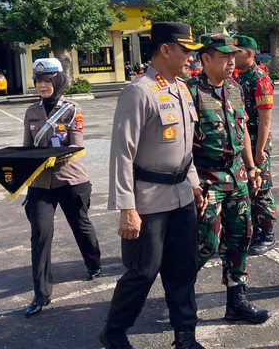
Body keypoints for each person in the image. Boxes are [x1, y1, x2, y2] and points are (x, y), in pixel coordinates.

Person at [101, 22, 206, 349]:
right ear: (165, 49)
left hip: (182, 197)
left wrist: (195, 184)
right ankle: (114, 331)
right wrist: (126, 208)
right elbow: (121, 153)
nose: (191, 57)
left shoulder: (182, 88)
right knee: (143, 272)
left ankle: (185, 336)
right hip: (148, 202)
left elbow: (185, 148)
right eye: (185, 50)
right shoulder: (139, 91)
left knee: (183, 269)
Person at [187, 34, 271, 325]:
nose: (231, 61)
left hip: (237, 176)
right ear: (206, 59)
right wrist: (191, 182)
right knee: (205, 242)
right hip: (207, 176)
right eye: (224, 56)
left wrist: (251, 169)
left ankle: (237, 301)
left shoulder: (235, 88)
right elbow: (183, 142)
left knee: (241, 236)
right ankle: (181, 296)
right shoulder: (191, 92)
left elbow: (244, 130)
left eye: (233, 56)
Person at [22, 58, 102, 318]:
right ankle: (41, 294)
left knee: (80, 224)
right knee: (40, 235)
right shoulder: (31, 112)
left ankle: (94, 263)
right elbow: (26, 148)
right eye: (38, 81)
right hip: (40, 183)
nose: (42, 86)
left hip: (70, 179)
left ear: (57, 82)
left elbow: (76, 146)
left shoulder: (71, 109)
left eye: (47, 81)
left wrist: (53, 156)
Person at [234, 35, 277, 255]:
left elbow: (265, 119)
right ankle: (253, 231)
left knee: (261, 188)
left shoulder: (260, 80)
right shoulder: (240, 78)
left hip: (256, 142)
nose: (232, 56)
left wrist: (260, 149)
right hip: (243, 144)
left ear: (249, 54)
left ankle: (267, 234)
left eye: (236, 52)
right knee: (246, 189)